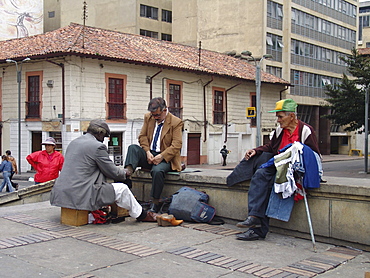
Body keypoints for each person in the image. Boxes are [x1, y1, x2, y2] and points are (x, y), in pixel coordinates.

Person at [227, 99, 320, 241]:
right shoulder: (279, 131)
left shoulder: (306, 130)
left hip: (294, 170)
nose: (278, 120)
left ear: (292, 116)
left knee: (270, 185)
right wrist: (256, 150)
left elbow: (313, 155)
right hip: (278, 165)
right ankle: (254, 217)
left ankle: (257, 230)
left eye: (280, 116)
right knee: (259, 175)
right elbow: (271, 147)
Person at [50, 119, 157, 222]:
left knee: (108, 186)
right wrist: (126, 172)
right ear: (100, 134)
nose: (103, 140)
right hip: (81, 193)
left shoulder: (74, 143)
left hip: (62, 192)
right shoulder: (98, 147)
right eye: (104, 137)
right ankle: (141, 215)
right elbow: (113, 171)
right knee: (122, 189)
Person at [124, 97, 183, 213]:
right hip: (150, 153)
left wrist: (161, 156)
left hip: (166, 157)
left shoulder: (176, 122)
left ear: (164, 110)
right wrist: (147, 152)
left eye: (157, 115)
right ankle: (127, 176)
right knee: (132, 148)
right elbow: (142, 136)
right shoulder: (148, 117)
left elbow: (177, 144)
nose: (155, 117)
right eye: (153, 115)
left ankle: (155, 202)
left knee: (157, 171)